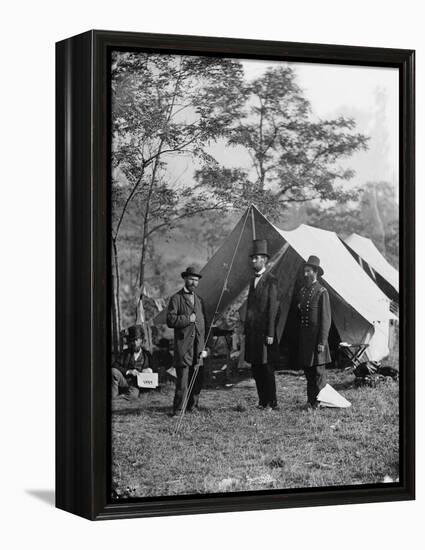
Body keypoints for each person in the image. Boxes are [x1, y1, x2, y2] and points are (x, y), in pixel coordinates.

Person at [166, 266, 208, 415]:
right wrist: (187, 319)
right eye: (191, 279)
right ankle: (178, 409)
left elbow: (204, 325)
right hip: (183, 347)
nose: (193, 282)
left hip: (198, 348)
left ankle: (193, 407)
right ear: (185, 279)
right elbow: (170, 320)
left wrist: (204, 346)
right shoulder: (176, 298)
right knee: (182, 382)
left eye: (196, 280)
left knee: (197, 380)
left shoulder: (200, 300)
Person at [244, 239, 279, 410]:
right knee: (256, 368)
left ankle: (272, 402)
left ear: (264, 259)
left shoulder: (271, 280)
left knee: (266, 368)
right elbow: (250, 307)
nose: (253, 261)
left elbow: (272, 309)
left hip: (265, 333)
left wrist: (271, 333)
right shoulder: (252, 281)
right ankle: (262, 401)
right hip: (253, 334)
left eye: (256, 258)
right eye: (252, 258)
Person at [296, 255, 332, 408]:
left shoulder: (322, 292)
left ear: (315, 272)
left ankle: (319, 402)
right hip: (306, 339)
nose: (305, 274)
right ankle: (311, 401)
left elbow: (326, 319)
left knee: (318, 373)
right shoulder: (303, 291)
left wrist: (322, 342)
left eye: (308, 271)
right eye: (304, 271)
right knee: (309, 372)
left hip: (317, 339)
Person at [111, 324, 153, 399]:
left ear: (141, 341)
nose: (135, 343)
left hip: (137, 384)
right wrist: (129, 371)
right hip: (125, 381)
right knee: (113, 371)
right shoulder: (126, 353)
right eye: (133, 340)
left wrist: (149, 370)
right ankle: (114, 395)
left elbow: (155, 367)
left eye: (137, 340)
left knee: (134, 395)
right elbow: (114, 365)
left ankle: (118, 398)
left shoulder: (147, 355)